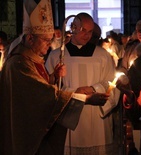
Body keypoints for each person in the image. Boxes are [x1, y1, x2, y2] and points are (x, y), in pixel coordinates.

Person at [0, 1, 108, 155]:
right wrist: (86, 99)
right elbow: (43, 97)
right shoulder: (18, 64)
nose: (49, 45)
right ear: (30, 39)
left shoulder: (31, 60)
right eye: (46, 40)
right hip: (27, 135)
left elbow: (37, 88)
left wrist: (53, 78)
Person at [45, 12, 120, 155]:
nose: (87, 35)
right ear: (73, 27)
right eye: (83, 30)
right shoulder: (56, 55)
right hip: (68, 118)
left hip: (97, 120)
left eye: (90, 32)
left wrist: (93, 89)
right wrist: (75, 94)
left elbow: (112, 83)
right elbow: (48, 88)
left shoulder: (102, 55)